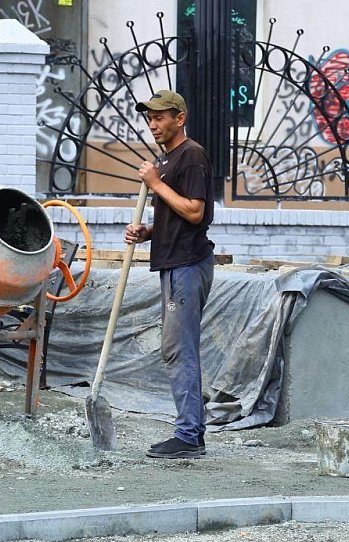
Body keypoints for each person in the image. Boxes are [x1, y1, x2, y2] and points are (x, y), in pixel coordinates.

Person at [126, 90, 215, 459]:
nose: (153, 124)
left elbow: (196, 212)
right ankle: (191, 430)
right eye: (149, 118)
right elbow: (177, 216)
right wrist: (149, 231)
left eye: (160, 117)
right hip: (173, 262)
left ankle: (189, 435)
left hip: (187, 267)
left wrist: (156, 184)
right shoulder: (167, 160)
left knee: (180, 349)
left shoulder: (191, 155)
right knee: (175, 348)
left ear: (180, 118)